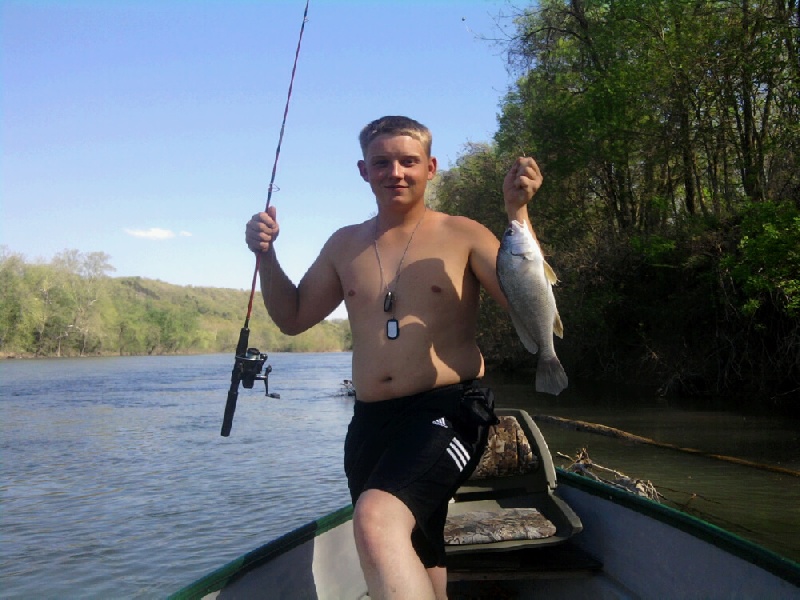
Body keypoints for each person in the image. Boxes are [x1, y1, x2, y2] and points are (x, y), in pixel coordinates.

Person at [245, 116, 543, 599]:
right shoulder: (345, 244)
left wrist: (518, 214)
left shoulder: (464, 233)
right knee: (421, 544)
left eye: (408, 161)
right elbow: (294, 317)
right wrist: (267, 256)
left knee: (375, 519)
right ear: (364, 170)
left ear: (431, 167)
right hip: (370, 423)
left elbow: (529, 308)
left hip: (448, 411)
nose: (396, 172)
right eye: (382, 162)